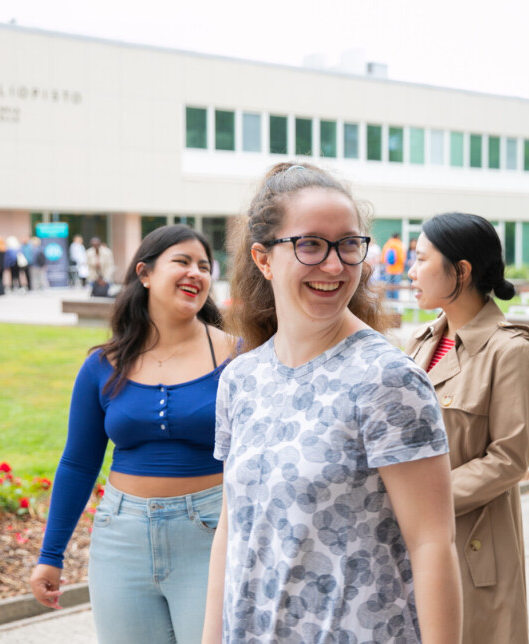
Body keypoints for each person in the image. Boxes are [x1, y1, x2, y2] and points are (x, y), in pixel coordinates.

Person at [203, 162, 461, 644]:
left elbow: (432, 546)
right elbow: (231, 530)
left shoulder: (388, 379)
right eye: (310, 244)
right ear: (263, 259)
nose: (335, 265)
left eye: (348, 244)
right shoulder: (241, 379)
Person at [29, 225, 238, 644]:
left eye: (203, 265)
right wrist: (50, 556)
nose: (195, 272)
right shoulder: (102, 365)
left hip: (211, 534)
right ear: (144, 273)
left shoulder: (238, 356)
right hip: (120, 538)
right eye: (182, 261)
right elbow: (78, 462)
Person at [406, 212, 529, 644]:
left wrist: (423, 503)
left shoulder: (510, 351)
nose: (411, 271)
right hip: (413, 539)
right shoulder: (421, 342)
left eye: (421, 259)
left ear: (461, 271)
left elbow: (508, 459)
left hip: (472, 549)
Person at [381, 231, 406, 299]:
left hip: (388, 269)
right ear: (398, 237)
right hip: (398, 269)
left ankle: (389, 305)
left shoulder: (387, 244)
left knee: (389, 287)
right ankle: (396, 306)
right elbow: (402, 258)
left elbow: (383, 259)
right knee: (396, 288)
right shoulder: (400, 245)